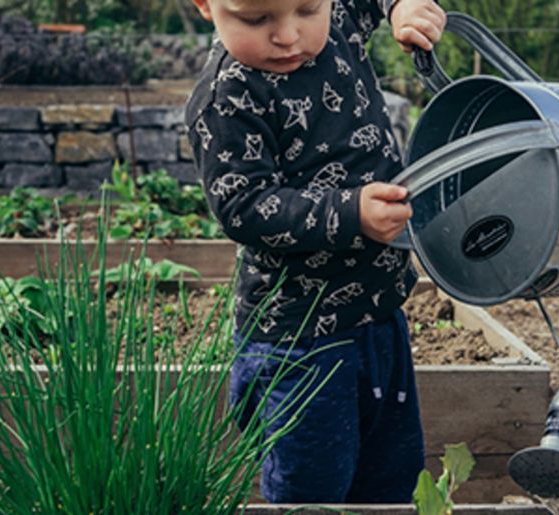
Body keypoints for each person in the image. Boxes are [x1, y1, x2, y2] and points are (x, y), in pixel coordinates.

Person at [185, 0, 446, 504]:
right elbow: (243, 206)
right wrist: (351, 214)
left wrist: (402, 9)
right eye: (256, 20)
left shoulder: (340, 19)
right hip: (300, 339)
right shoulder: (228, 95)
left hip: (380, 316)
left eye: (308, 9)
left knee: (392, 476)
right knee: (313, 489)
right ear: (205, 5)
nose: (288, 36)